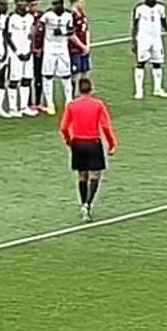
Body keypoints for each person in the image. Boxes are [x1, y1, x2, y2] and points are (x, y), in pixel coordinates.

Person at [59, 77, 118, 222]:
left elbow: (63, 127)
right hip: (93, 142)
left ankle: (83, 204)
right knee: (95, 175)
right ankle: (88, 204)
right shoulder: (98, 105)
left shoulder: (72, 105)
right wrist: (111, 143)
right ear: (91, 89)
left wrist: (69, 141)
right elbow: (105, 126)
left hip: (78, 143)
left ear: (79, 89)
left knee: (82, 175)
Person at [131, 0, 167, 99]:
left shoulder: (161, 7)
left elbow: (164, 22)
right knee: (141, 63)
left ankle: (158, 89)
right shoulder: (139, 8)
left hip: (156, 39)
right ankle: (139, 91)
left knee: (157, 63)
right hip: (143, 39)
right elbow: (134, 26)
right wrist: (134, 41)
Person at [39, 0, 76, 115]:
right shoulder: (48, 15)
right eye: (53, 4)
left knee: (66, 75)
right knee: (47, 75)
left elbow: (72, 30)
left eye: (57, 4)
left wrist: (63, 31)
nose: (54, 6)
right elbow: (39, 26)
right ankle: (50, 104)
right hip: (49, 48)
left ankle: (69, 102)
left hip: (62, 48)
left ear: (61, 4)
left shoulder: (68, 15)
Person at [5, 0, 40, 118]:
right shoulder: (11, 18)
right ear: (15, 2)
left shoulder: (30, 18)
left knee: (27, 79)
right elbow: (8, 37)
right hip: (15, 54)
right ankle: (12, 108)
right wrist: (18, 52)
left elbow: (31, 36)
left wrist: (30, 51)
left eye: (24, 0)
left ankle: (24, 106)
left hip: (27, 53)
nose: (22, 3)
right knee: (14, 80)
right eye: (19, 1)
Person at [70, 0, 91, 82]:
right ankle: (74, 94)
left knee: (85, 71)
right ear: (75, 2)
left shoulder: (82, 14)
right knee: (75, 72)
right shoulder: (71, 15)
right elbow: (71, 34)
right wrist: (82, 46)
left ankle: (85, 93)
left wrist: (87, 45)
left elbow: (86, 30)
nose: (83, 4)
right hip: (75, 49)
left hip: (84, 47)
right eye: (81, 2)